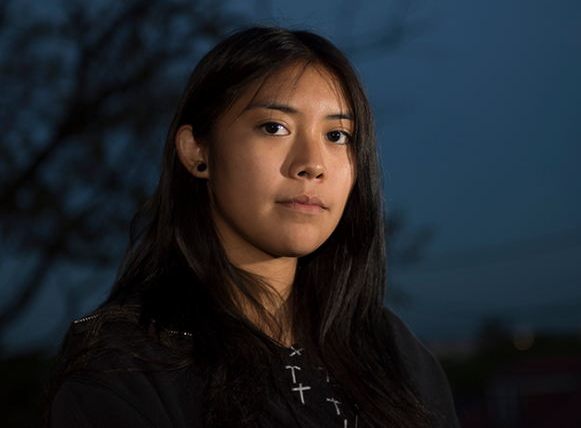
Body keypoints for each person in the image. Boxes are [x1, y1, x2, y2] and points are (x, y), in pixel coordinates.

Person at [45, 25, 460, 428]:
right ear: (197, 151)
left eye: (337, 135)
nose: (312, 164)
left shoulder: (392, 350)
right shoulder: (126, 366)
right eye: (274, 127)